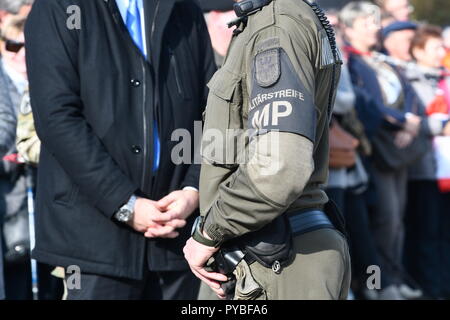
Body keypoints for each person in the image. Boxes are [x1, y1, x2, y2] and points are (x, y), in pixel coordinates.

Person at [25, 0, 216, 300]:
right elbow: (56, 117)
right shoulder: (59, 7)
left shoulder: (184, 10)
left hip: (176, 239)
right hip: (94, 244)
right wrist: (124, 203)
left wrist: (194, 189)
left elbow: (214, 112)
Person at [184, 0, 351, 300]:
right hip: (262, 256)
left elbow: (279, 167)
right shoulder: (266, 19)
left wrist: (208, 233)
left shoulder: (276, 25)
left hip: (277, 261)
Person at [340, 1, 424, 299]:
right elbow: (364, 102)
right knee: (382, 221)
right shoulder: (349, 60)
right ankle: (379, 284)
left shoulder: (382, 58)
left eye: (375, 22)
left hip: (397, 149)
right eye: (367, 23)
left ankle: (394, 279)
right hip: (371, 150)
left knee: (397, 220)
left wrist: (411, 123)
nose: (375, 27)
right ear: (348, 28)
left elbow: (409, 94)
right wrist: (402, 120)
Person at [404, 24, 450, 299]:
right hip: (424, 168)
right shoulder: (410, 79)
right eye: (435, 47)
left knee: (445, 231)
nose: (441, 53)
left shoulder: (445, 78)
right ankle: (430, 287)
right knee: (426, 231)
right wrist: (438, 124)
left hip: (446, 167)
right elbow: (413, 120)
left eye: (442, 47)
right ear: (418, 51)